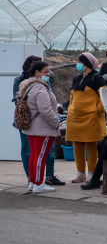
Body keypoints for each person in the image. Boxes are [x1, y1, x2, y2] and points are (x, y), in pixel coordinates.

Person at [13, 55, 65, 186]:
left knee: (34, 155)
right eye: (46, 72)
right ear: (37, 73)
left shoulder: (26, 86)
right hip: (42, 128)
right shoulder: (40, 87)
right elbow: (45, 110)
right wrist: (56, 122)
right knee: (40, 156)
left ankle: (33, 182)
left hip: (31, 127)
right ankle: (38, 184)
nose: (48, 74)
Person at [65, 52, 107, 183]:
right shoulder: (77, 78)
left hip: (90, 117)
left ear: (87, 64)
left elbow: (105, 95)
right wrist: (70, 108)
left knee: (90, 145)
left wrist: (98, 110)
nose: (78, 64)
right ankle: (81, 173)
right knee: (76, 144)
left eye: (80, 61)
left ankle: (92, 172)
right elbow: (72, 96)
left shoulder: (96, 78)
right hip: (74, 117)